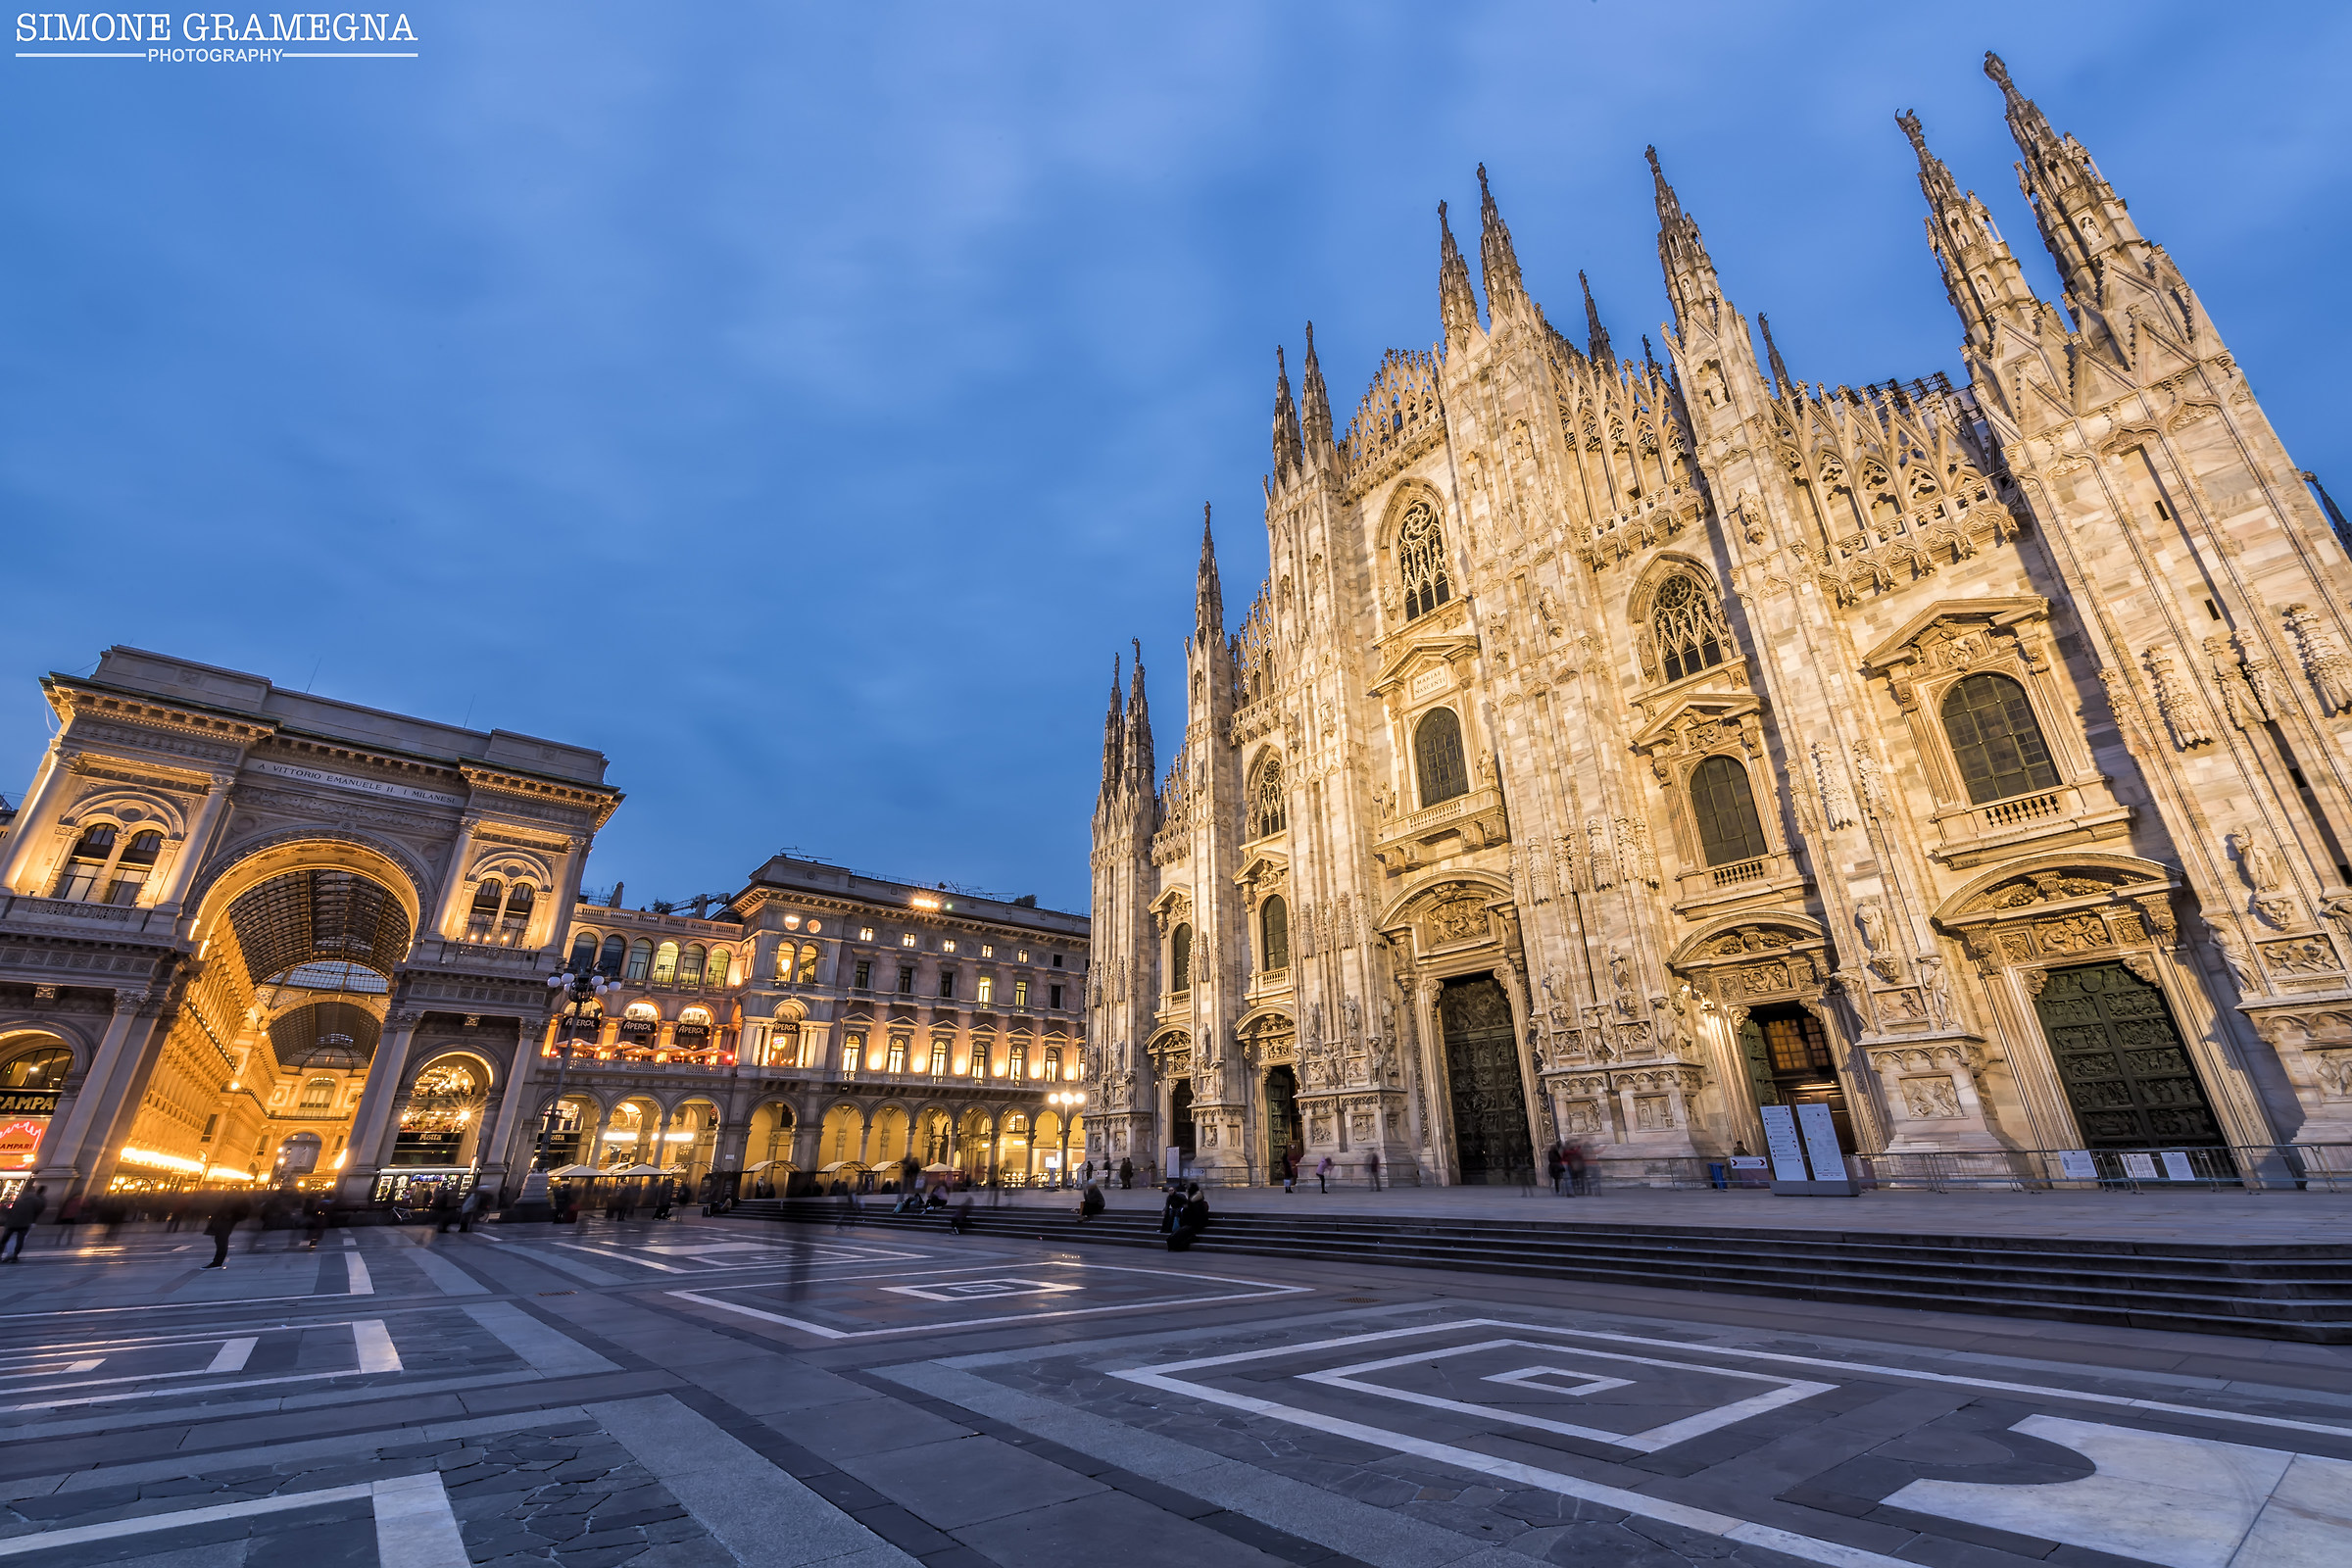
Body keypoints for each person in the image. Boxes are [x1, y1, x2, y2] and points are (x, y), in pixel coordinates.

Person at [0, 1184, 46, 1262]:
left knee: (4, 1240)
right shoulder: (37, 1200)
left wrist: (4, 1210)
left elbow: (10, 1211)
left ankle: (1, 1255)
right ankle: (14, 1256)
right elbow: (38, 1211)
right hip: (24, 1223)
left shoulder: (19, 1199)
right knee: (20, 1240)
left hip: (11, 1222)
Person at [202, 1199, 248, 1269]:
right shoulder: (232, 1197)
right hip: (224, 1220)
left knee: (221, 1242)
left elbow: (243, 1210)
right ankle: (218, 1262)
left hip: (225, 1221)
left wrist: (230, 1216)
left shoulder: (235, 1197)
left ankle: (217, 1263)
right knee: (220, 1241)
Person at [1166, 1183, 1209, 1251]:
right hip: (1193, 1224)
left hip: (1193, 1224)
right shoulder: (1196, 1201)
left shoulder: (1193, 1203)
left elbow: (1193, 1215)